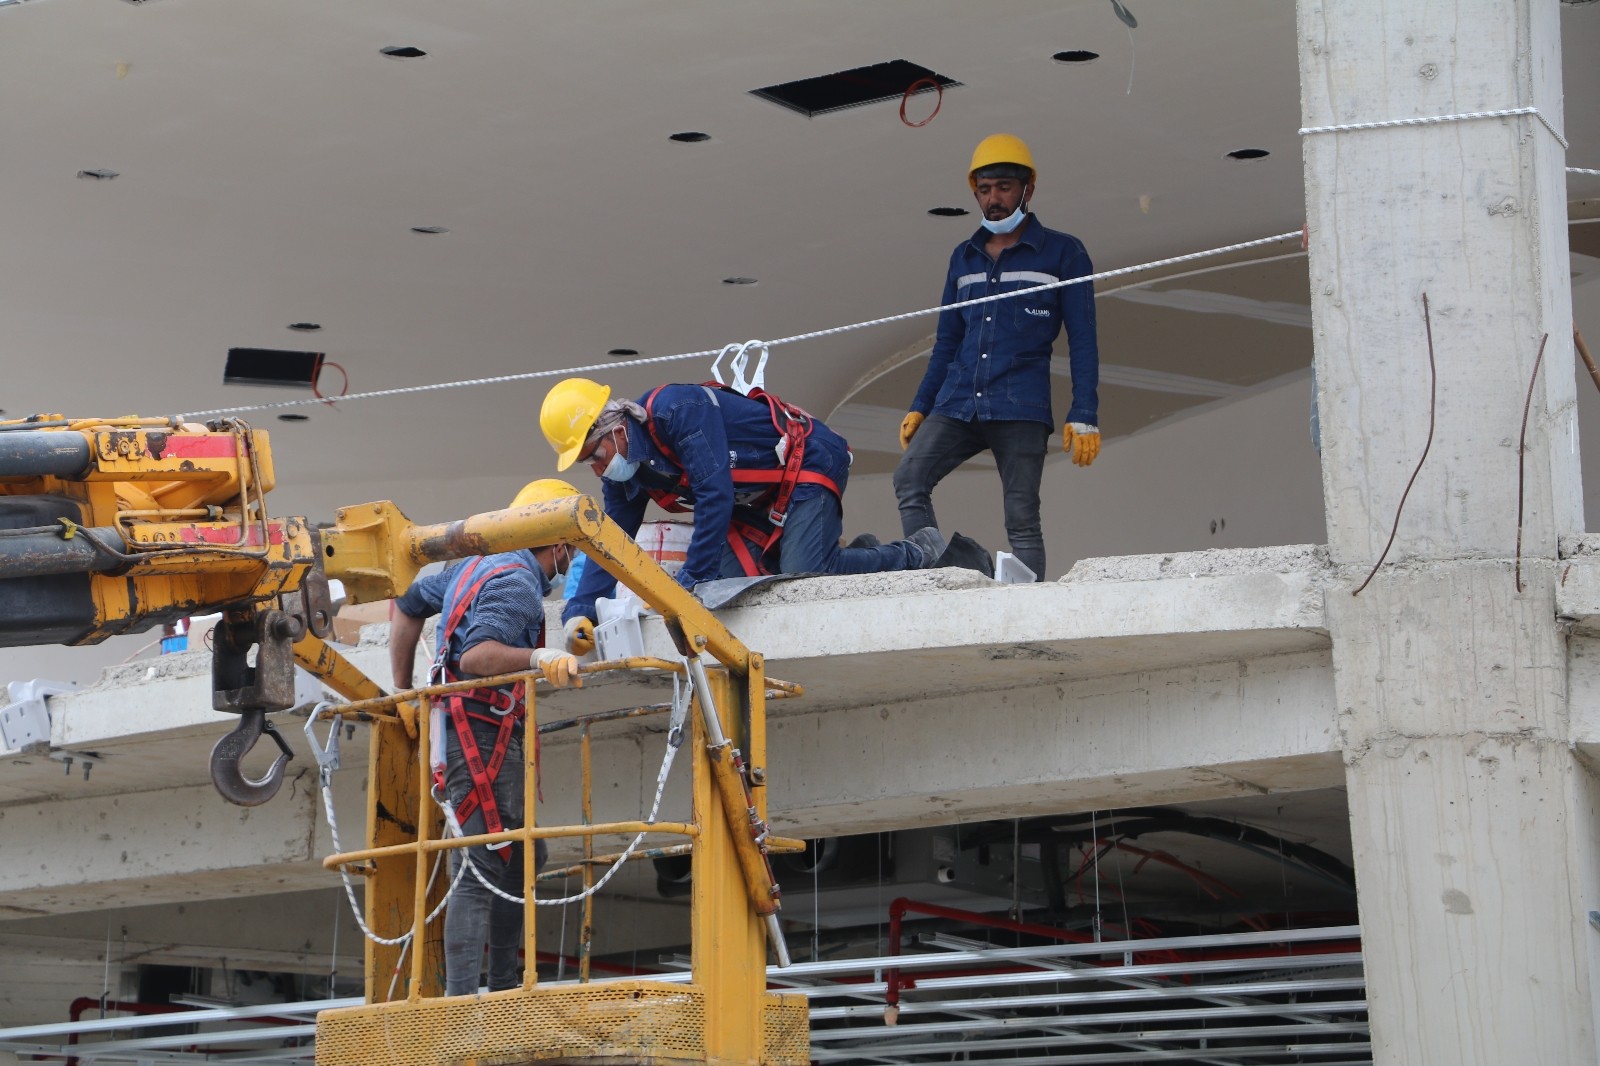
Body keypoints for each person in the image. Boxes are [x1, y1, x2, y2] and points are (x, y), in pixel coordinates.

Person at [538, 377, 948, 651]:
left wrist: (688, 586)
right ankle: (849, 554)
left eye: (596, 455)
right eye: (586, 462)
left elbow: (713, 497)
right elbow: (612, 539)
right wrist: (581, 607)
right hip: (756, 498)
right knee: (734, 583)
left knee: (803, 575)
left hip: (809, 461)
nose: (597, 468)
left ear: (616, 428)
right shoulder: (624, 472)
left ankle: (912, 554)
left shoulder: (677, 410)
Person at [389, 478, 583, 997]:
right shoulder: (517, 582)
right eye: (573, 548)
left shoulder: (471, 564)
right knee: (482, 866)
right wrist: (537, 658)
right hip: (481, 729)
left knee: (518, 858)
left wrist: (403, 689)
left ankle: (498, 989)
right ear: (559, 543)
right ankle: (473, 1001)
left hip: (463, 725)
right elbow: (477, 658)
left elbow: (407, 605)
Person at [893, 133, 1101, 581]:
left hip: (1020, 405)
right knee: (909, 478)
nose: (994, 199)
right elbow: (946, 341)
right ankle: (937, 576)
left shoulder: (1064, 252)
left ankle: (1025, 613)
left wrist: (1085, 412)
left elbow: (1083, 338)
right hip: (957, 402)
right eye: (984, 190)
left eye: (1004, 187)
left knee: (1022, 518)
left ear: (1028, 188)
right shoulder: (963, 257)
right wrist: (920, 405)